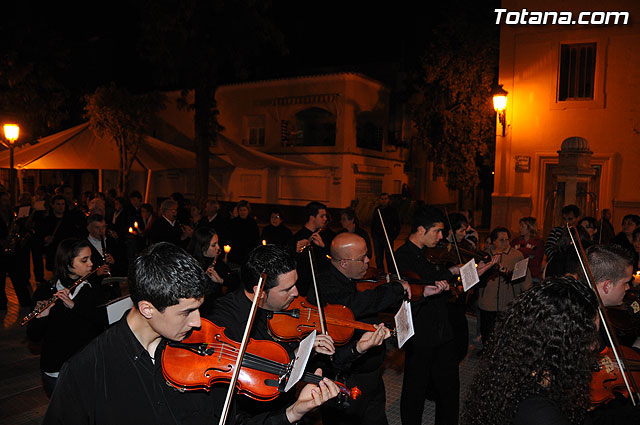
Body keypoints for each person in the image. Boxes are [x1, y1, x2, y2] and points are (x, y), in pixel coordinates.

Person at [44, 242, 340, 424]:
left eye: (199, 308)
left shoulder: (201, 354)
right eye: (187, 312)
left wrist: (293, 413)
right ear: (147, 308)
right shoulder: (86, 370)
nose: (199, 323)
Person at [395, 205, 496, 425]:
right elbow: (417, 286)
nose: (442, 237)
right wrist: (446, 274)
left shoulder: (426, 255)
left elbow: (440, 281)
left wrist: (470, 274)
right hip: (420, 334)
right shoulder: (402, 256)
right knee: (415, 390)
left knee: (449, 388)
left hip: (442, 330)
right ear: (421, 229)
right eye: (437, 231)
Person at [462, 276, 599, 425]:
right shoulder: (541, 413)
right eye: (588, 338)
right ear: (561, 342)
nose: (595, 346)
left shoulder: (517, 366)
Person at [308, 232, 403, 425]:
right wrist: (394, 289)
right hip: (347, 377)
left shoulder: (350, 278)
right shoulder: (324, 286)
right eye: (362, 258)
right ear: (343, 263)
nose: (369, 261)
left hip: (371, 371)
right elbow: (355, 305)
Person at [27, 238, 104, 396]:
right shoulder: (45, 291)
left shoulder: (93, 290)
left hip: (85, 367)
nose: (91, 264)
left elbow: (100, 326)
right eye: (84, 260)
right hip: (56, 370)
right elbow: (33, 336)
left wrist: (74, 307)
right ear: (68, 263)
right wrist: (41, 317)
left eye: (90, 258)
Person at [477, 227, 532, 347]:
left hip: (507, 300)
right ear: (493, 241)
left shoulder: (516, 255)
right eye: (501, 240)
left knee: (504, 332)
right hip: (488, 301)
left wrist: (527, 294)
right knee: (487, 329)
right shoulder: (485, 255)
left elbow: (524, 276)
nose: (505, 243)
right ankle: (487, 351)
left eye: (507, 240)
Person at [187, 226, 233, 315]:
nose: (218, 247)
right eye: (213, 245)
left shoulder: (218, 263)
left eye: (217, 243)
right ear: (202, 247)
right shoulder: (191, 265)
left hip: (217, 311)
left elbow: (233, 282)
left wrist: (221, 280)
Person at [290, 201, 332, 295]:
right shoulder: (298, 238)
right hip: (305, 289)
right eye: (322, 216)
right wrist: (296, 251)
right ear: (312, 217)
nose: (325, 219)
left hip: (321, 285)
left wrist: (323, 246)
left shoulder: (324, 236)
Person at [0, 191, 32, 308]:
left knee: (19, 278)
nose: (6, 203)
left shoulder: (12, 213)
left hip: (13, 251)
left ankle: (25, 302)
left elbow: (18, 228)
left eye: (8, 200)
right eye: (4, 200)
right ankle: (2, 303)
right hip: (1, 250)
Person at [370, 193, 400, 272]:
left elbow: (397, 224)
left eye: (385, 199)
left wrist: (393, 235)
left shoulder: (392, 210)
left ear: (388, 200)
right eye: (382, 199)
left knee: (389, 257)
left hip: (388, 237)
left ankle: (391, 273)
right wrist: (373, 234)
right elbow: (373, 223)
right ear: (379, 200)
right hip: (377, 237)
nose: (384, 201)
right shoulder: (377, 210)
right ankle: (381, 274)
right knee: (378, 258)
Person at [511, 217, 544, 283]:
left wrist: (523, 256)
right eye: (520, 225)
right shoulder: (515, 241)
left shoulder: (538, 242)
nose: (519, 228)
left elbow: (536, 259)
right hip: (517, 276)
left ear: (530, 227)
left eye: (522, 226)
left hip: (533, 276)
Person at [228, 200, 260, 266]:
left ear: (248, 211)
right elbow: (230, 237)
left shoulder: (252, 223)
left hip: (248, 253)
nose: (242, 212)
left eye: (244, 210)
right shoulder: (233, 222)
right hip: (235, 253)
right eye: (240, 210)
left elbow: (255, 238)